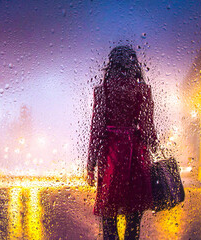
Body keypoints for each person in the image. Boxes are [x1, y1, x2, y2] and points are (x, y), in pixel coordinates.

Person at [86, 45, 158, 240]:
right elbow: (148, 127)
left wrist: (91, 163)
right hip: (137, 155)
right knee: (134, 214)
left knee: (108, 211)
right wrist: (154, 146)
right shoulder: (143, 90)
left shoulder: (103, 91)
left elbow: (97, 129)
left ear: (111, 65)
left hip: (111, 156)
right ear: (134, 65)